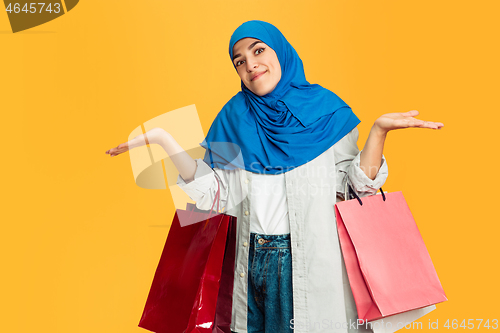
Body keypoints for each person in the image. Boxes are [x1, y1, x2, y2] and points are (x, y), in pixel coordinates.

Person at [106, 20, 443, 333]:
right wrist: (166, 140)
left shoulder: (327, 110)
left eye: (258, 50)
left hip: (307, 262)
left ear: (279, 50)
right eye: (239, 60)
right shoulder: (232, 118)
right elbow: (214, 196)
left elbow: (355, 188)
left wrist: (378, 133)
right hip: (247, 261)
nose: (250, 64)